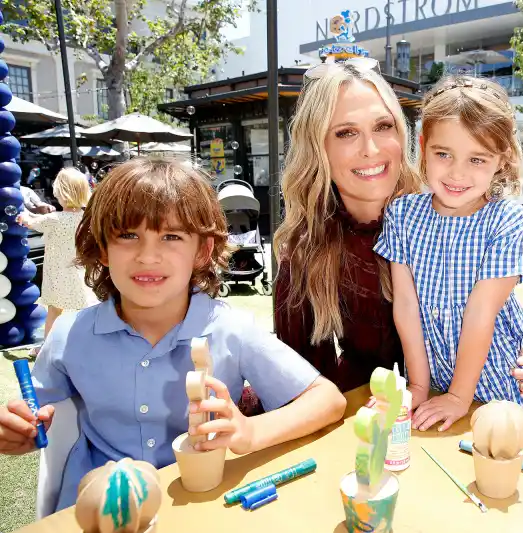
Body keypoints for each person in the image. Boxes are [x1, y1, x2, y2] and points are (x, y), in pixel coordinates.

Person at [0, 158, 347, 512]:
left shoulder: (231, 329)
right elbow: (33, 417)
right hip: (93, 508)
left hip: (200, 506)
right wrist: (19, 430)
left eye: (171, 236)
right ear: (102, 248)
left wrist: (250, 433)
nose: (148, 256)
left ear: (202, 250)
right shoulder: (68, 336)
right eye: (128, 235)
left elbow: (327, 400)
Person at [270, 59, 523, 412]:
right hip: (382, 410)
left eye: (383, 126)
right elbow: (298, 380)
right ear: (318, 147)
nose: (371, 149)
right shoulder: (308, 253)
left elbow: (492, 311)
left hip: (491, 392)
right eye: (346, 132)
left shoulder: (452, 203)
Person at [374, 76, 523, 432]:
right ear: (423, 146)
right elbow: (406, 306)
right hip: (440, 387)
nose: (457, 173)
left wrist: (460, 396)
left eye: (477, 159)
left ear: (501, 159)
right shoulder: (401, 214)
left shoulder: (506, 220)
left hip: (504, 385)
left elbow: (480, 313)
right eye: (444, 154)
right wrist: (418, 385)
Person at [16, 168, 95, 341]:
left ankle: (47, 347)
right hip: (80, 271)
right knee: (86, 309)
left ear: (60, 192)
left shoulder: (55, 219)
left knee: (55, 310)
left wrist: (22, 215)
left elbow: (30, 223)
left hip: (58, 273)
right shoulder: (86, 218)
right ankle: (88, 343)